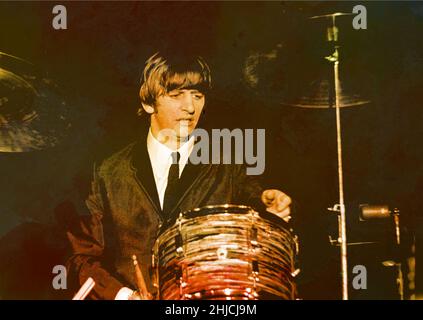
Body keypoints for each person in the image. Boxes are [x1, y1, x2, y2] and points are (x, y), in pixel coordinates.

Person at [66, 52, 292, 300]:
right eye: (176, 96)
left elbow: (254, 231)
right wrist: (124, 296)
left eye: (198, 95)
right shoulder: (107, 172)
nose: (190, 107)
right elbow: (81, 258)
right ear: (148, 103)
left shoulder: (228, 167)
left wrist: (269, 208)